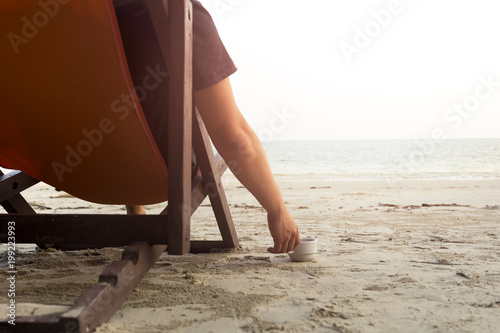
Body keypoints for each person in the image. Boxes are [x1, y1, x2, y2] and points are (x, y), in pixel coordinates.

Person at [113, 0, 299, 254]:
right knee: (196, 104)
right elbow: (235, 139)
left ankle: (134, 206)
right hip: (155, 174)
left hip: (70, 168)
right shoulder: (180, 15)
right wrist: (278, 210)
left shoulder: (64, 16)